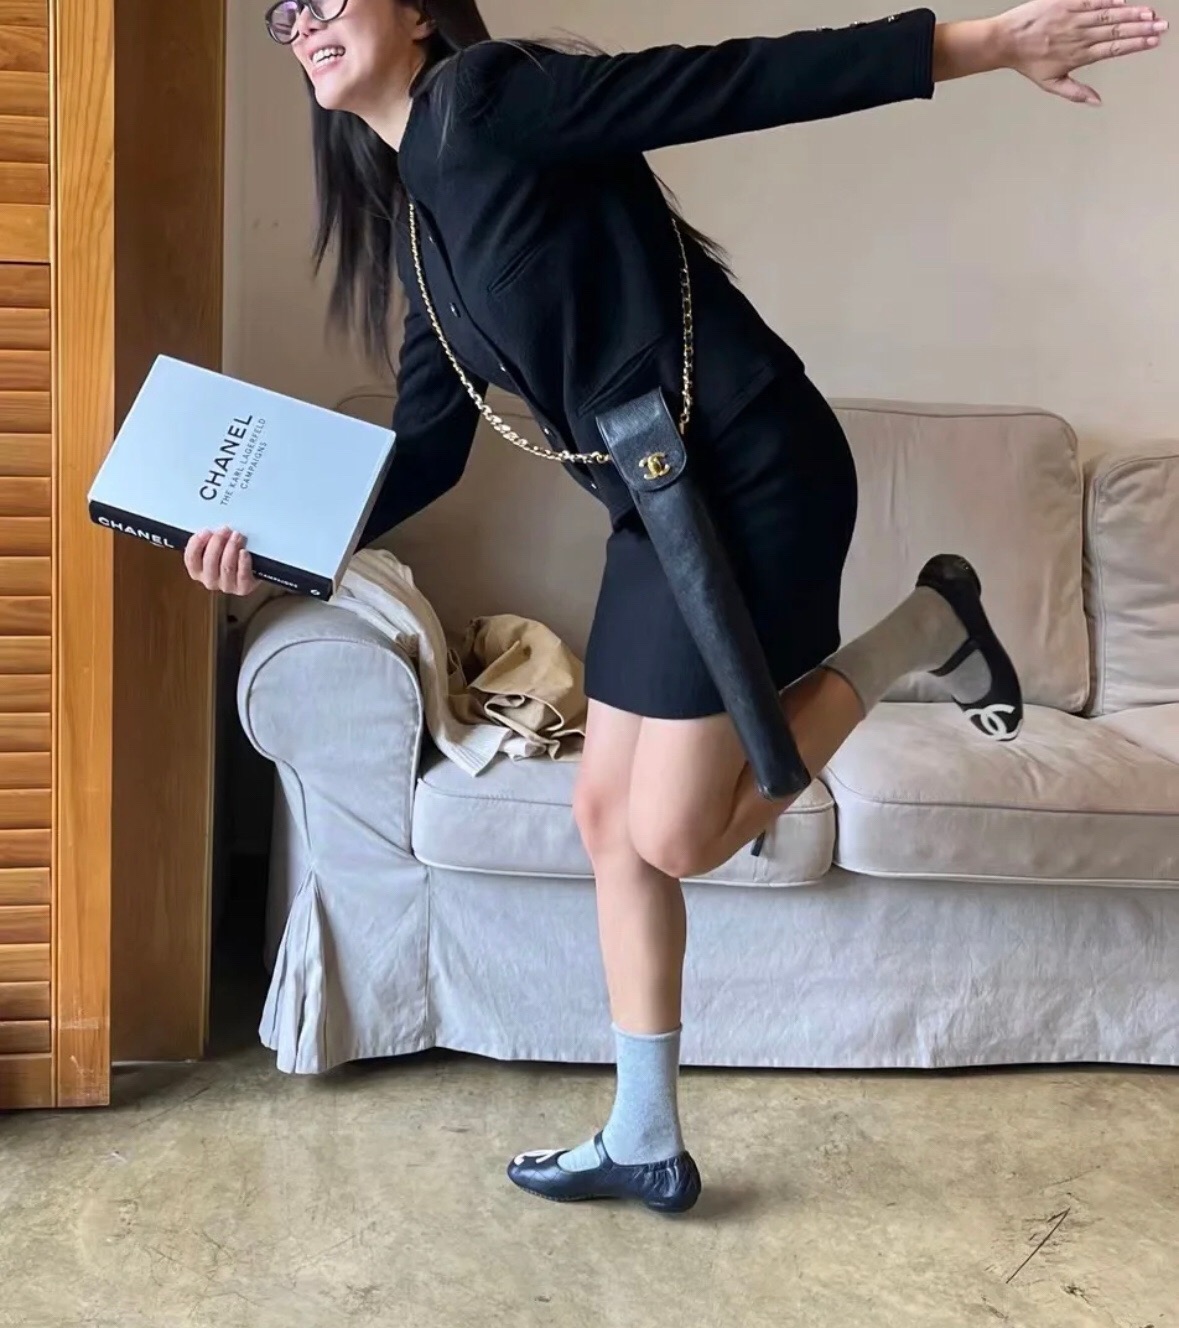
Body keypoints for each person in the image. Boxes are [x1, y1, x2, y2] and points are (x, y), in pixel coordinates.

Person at [187, 0, 1167, 1214]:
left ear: (415, 9)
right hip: (658, 503)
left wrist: (984, 45)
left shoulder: (492, 98)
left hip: (753, 470)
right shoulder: (418, 231)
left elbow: (732, 81)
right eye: (284, 11)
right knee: (608, 814)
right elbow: (429, 445)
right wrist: (275, 551)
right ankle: (644, 1135)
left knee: (681, 831)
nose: (303, 23)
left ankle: (929, 627)